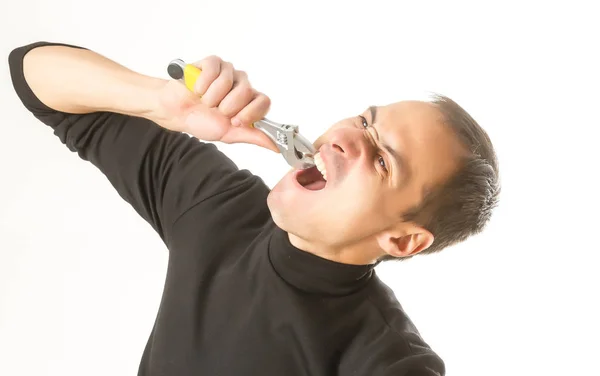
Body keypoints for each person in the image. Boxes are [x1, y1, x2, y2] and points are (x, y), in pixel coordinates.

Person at [8, 41, 500, 376]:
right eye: (363, 121)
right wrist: (160, 102)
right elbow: (32, 73)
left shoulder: (388, 361)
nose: (344, 137)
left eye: (381, 160)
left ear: (403, 240)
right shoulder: (219, 207)